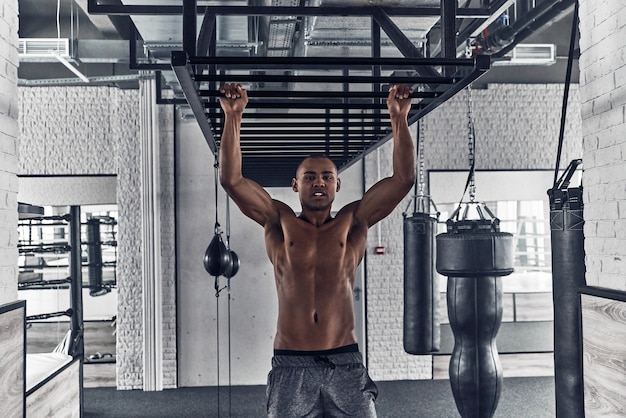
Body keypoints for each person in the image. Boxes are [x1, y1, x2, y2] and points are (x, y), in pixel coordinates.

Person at [218, 83, 416, 417]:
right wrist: (232, 117)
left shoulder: (354, 221)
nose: (319, 183)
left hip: (345, 362)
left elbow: (403, 179)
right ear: (295, 185)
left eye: (327, 177)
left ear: (338, 184)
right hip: (291, 364)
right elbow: (232, 181)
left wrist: (399, 120)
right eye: (309, 177)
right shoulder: (278, 220)